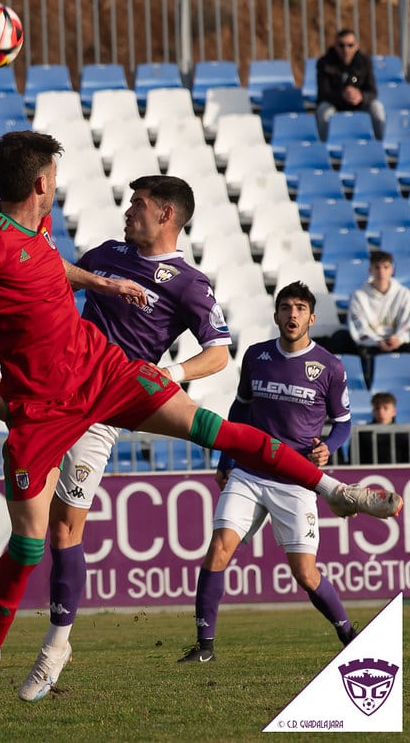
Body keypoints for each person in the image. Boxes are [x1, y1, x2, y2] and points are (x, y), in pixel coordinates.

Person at [0, 130, 402, 714]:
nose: (125, 209)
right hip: (41, 406)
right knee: (28, 542)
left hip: (106, 373)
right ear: (43, 184)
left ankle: (337, 490)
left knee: (219, 431)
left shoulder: (34, 229)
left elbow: (47, 268)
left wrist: (104, 289)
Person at [17, 174, 233, 702]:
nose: (127, 210)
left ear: (166, 216)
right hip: (54, 389)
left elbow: (220, 351)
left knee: (66, 529)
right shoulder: (104, 253)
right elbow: (52, 291)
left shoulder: (188, 283)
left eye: (138, 204)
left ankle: (55, 648)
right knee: (30, 521)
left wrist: (174, 375)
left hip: (103, 411)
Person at [180, 281, 356, 662]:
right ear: (275, 314)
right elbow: (240, 412)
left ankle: (348, 634)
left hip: (296, 480)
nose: (292, 314)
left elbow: (343, 422)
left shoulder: (329, 366)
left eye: (300, 308)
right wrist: (226, 459)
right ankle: (204, 646)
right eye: (285, 307)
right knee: (218, 550)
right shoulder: (257, 356)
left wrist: (331, 445)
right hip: (249, 472)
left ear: (312, 316)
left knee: (306, 575)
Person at [331, 250, 410, 388]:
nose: (381, 272)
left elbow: (407, 322)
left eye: (385, 267)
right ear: (370, 270)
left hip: (398, 343)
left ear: (391, 269)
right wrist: (377, 341)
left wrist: (399, 338)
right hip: (371, 344)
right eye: (377, 267)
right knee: (338, 339)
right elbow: (359, 326)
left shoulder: (404, 294)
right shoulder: (359, 295)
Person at [315, 28, 385, 139]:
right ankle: (325, 146)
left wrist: (361, 96)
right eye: (341, 45)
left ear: (356, 46)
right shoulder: (324, 63)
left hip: (359, 104)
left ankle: (381, 144)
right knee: (323, 110)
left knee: (377, 107)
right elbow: (323, 94)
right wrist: (342, 95)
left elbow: (372, 92)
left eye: (350, 45)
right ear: (335, 46)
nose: (345, 49)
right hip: (336, 104)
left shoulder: (365, 62)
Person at [356, 391, 410, 464]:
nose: (381, 411)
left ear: (394, 411)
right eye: (377, 408)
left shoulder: (404, 434)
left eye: (385, 408)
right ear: (373, 411)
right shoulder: (362, 434)